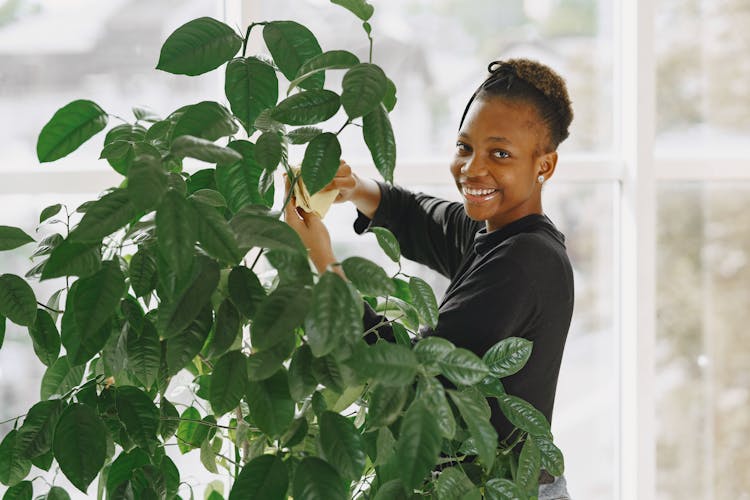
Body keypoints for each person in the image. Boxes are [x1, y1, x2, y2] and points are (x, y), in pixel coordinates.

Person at [284, 58, 574, 499]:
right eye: (464, 147)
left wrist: (324, 263)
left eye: (500, 153)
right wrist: (356, 189)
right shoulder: (499, 231)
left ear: (544, 166)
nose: (473, 169)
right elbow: (425, 219)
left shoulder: (525, 262)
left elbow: (413, 378)